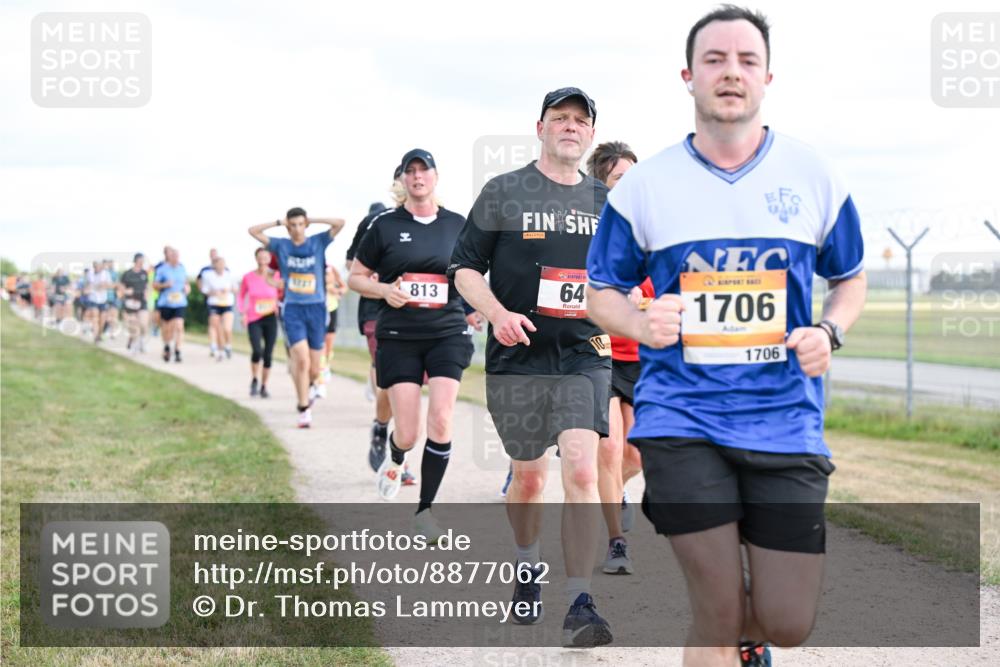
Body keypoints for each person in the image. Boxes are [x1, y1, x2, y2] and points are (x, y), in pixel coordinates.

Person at [586, 7, 867, 667]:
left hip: (786, 419)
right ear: (688, 76)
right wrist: (637, 320)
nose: (731, 72)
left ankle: (751, 637)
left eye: (746, 60)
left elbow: (849, 279)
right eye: (715, 60)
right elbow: (600, 292)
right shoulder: (647, 186)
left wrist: (830, 329)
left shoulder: (813, 175)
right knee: (714, 607)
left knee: (788, 620)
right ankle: (725, 628)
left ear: (769, 76)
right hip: (682, 416)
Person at [451, 87, 613, 648]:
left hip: (584, 352)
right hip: (518, 354)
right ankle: (526, 565)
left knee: (583, 468)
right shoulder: (504, 191)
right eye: (559, 118)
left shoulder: (604, 201)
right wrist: (495, 313)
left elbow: (624, 275)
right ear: (540, 128)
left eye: (580, 120)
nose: (570, 126)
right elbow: (465, 269)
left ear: (590, 134)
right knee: (528, 477)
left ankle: (580, 600)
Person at [350, 149, 475, 542]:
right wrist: (384, 289)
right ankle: (396, 456)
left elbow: (471, 273)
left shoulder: (458, 223)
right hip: (400, 335)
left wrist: (476, 307)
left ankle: (425, 511)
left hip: (447, 332)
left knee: (440, 419)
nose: (418, 177)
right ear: (403, 180)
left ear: (436, 177)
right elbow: (355, 276)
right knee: (408, 431)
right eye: (411, 171)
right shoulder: (385, 225)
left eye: (424, 170)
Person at [584, 140, 650, 576]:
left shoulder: (652, 229)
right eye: (617, 180)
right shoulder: (587, 233)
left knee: (636, 457)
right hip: (597, 351)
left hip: (641, 356)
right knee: (609, 450)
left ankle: (614, 494)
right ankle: (615, 542)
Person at [248, 208, 346, 428]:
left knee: (313, 367)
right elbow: (252, 231)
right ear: (288, 226)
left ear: (306, 225)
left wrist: (315, 219)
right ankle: (303, 408)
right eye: (292, 225)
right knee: (300, 360)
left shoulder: (318, 242)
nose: (296, 229)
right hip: (293, 309)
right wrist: (277, 222)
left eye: (301, 224)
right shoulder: (281, 245)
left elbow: (340, 223)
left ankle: (309, 387)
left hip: (317, 309)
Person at [239, 247, 283, 398]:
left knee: (268, 354)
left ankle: (264, 386)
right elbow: (241, 296)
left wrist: (279, 305)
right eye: (260, 257)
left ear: (270, 260)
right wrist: (242, 313)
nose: (263, 260)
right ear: (256, 258)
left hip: (270, 317)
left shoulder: (276, 276)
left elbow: (281, 293)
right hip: (254, 318)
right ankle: (254, 379)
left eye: (266, 257)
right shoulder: (248, 277)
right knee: (257, 351)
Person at [153, 246, 190, 362]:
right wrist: (165, 285)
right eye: (173, 256)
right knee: (167, 329)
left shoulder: (182, 268)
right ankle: (167, 346)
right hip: (166, 303)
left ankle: (178, 350)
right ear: (169, 257)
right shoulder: (162, 269)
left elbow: (186, 282)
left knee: (179, 325)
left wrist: (187, 288)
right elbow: (155, 285)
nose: (176, 258)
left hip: (180, 302)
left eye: (177, 256)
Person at [317, 262, 347, 396]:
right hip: (317, 311)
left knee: (328, 347)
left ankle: (327, 365)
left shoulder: (331, 268)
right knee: (320, 347)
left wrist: (337, 291)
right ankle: (320, 382)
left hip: (332, 309)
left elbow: (344, 287)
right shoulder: (312, 267)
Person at [201, 256, 237, 361]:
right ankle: (216, 347)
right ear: (214, 265)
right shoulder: (208, 275)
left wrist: (228, 290)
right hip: (214, 303)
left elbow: (235, 289)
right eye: (219, 263)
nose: (221, 266)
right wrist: (214, 292)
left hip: (227, 303)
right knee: (215, 326)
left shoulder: (229, 275)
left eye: (223, 263)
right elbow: (204, 290)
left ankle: (228, 345)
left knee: (227, 328)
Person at [119, 253, 150, 354]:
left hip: (142, 302)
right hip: (130, 302)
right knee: (134, 325)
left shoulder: (144, 273)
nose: (142, 263)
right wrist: (126, 291)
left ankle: (141, 341)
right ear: (136, 261)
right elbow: (121, 289)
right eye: (141, 261)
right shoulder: (127, 274)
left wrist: (147, 293)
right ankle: (133, 345)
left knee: (144, 324)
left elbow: (147, 286)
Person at [197, 248, 222, 357]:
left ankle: (221, 345)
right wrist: (204, 291)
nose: (214, 257)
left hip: (224, 302)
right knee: (213, 323)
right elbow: (199, 281)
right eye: (212, 255)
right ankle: (213, 345)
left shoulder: (225, 269)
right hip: (211, 300)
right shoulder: (205, 270)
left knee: (221, 325)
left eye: (215, 255)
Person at [85, 261, 112, 343]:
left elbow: (110, 285)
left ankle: (99, 334)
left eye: (98, 266)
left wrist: (104, 285)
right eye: (95, 266)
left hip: (103, 300)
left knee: (102, 319)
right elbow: (87, 285)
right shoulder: (90, 273)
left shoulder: (106, 274)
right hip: (93, 299)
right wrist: (88, 288)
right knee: (95, 317)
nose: (97, 268)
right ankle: (96, 336)